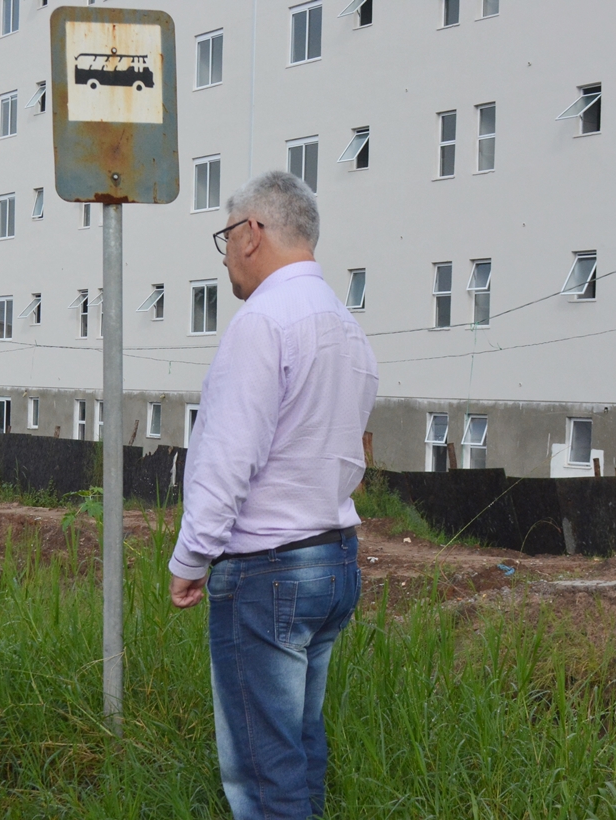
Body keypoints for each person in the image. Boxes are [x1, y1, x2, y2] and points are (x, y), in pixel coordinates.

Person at [168, 171, 379, 820]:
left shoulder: (262, 323)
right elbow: (352, 454)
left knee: (262, 771)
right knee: (298, 748)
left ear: (251, 233)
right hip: (332, 559)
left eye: (226, 237)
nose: (227, 255)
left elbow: (229, 456)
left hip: (268, 569)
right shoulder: (348, 329)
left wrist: (189, 559)